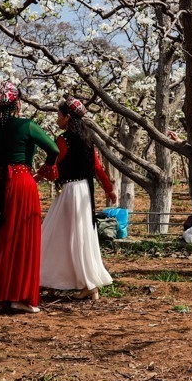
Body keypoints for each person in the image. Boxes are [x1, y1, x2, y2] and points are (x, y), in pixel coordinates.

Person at [0, 83, 59, 313]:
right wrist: (45, 168)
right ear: (18, 103)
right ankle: (19, 298)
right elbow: (54, 150)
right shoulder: (27, 126)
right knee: (21, 237)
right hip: (21, 183)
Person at [37, 98, 117, 299]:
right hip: (84, 192)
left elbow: (54, 166)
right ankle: (87, 285)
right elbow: (97, 168)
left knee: (55, 234)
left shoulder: (63, 140)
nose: (57, 119)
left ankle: (49, 278)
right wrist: (108, 189)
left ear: (68, 117)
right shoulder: (88, 140)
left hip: (70, 191)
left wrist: (37, 176)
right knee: (80, 236)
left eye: (59, 115)